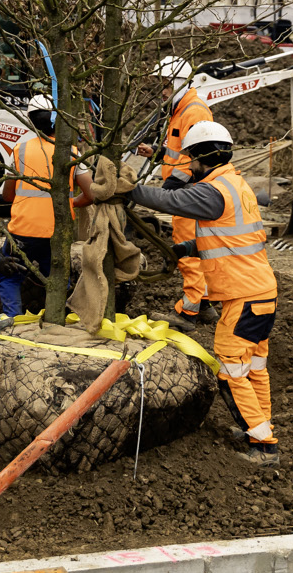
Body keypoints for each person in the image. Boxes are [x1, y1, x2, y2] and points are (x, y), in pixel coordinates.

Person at [99, 119, 280, 466]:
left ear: (202, 157)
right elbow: (235, 238)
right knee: (254, 367)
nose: (189, 166)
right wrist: (192, 248)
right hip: (259, 292)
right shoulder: (235, 184)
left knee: (230, 371)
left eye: (191, 160)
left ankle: (263, 446)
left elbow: (170, 200)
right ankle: (259, 428)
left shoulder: (212, 190)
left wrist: (127, 190)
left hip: (243, 297)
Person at [0, 93, 96, 316]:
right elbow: (91, 194)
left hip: (22, 231)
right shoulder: (72, 153)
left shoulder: (19, 151)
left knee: (9, 275)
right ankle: (57, 318)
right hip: (56, 232)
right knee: (59, 277)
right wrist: (72, 203)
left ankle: (13, 320)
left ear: (31, 120)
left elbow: (7, 195)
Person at [136, 56, 214, 322]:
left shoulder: (193, 111)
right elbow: (179, 152)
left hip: (188, 191)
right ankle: (203, 305)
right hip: (186, 189)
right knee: (195, 248)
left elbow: (194, 159)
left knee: (187, 251)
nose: (162, 90)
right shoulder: (180, 110)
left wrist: (170, 189)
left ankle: (188, 313)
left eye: (166, 84)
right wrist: (157, 154)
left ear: (180, 83)